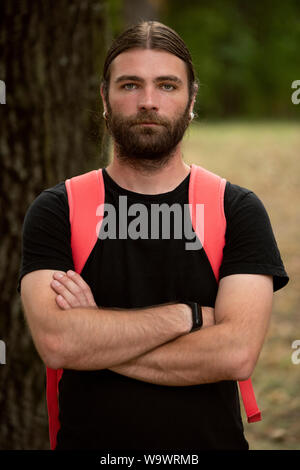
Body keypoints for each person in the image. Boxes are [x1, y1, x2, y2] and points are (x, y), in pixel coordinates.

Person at [18, 21, 289, 451]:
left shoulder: (235, 209)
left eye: (166, 86)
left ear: (191, 99)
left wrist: (97, 341)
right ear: (104, 98)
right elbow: (57, 342)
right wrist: (191, 317)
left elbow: (236, 354)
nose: (148, 102)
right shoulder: (58, 209)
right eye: (129, 85)